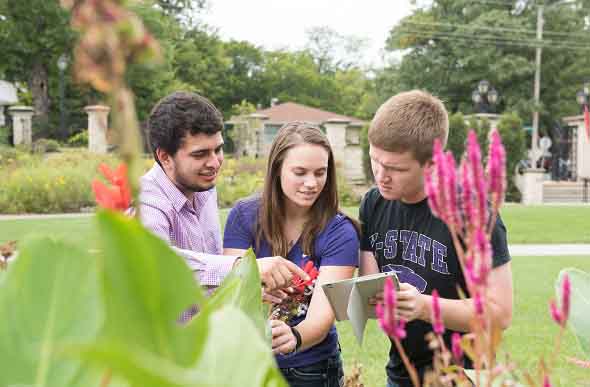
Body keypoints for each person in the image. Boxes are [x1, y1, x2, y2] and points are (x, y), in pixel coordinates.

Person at [359, 90, 513, 387]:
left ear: (431, 164)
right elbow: (370, 286)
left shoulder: (473, 212)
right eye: (374, 160)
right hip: (402, 373)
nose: (380, 175)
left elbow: (500, 312)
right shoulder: (373, 203)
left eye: (395, 168)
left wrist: (424, 307)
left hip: (464, 376)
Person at [223, 121, 359, 387]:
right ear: (277, 170)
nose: (312, 183)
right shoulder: (244, 216)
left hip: (311, 369)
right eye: (300, 172)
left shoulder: (340, 232)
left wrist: (295, 336)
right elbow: (231, 287)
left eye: (320, 173)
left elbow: (321, 317)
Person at [139, 91, 309, 294]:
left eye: (218, 150)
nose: (214, 163)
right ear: (165, 157)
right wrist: (243, 268)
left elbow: (205, 279)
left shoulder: (203, 188)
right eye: (200, 154)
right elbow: (159, 263)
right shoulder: (146, 202)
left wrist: (250, 288)